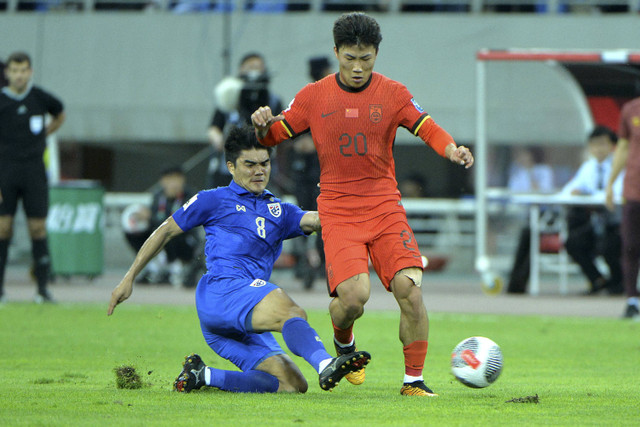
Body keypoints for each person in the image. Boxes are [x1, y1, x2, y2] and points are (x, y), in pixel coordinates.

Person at [251, 12, 474, 396]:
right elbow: (273, 135)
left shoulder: (394, 94)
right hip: (337, 209)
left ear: (376, 54)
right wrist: (260, 126)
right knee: (353, 299)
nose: (357, 67)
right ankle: (343, 341)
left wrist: (452, 149)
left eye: (366, 58)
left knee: (410, 289)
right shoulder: (313, 95)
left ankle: (413, 382)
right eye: (350, 58)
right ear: (336, 52)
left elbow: (428, 127)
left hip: (385, 205)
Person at [108, 125, 370, 394]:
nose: (259, 171)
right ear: (231, 166)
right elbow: (165, 231)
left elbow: (316, 219)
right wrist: (129, 278)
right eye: (250, 164)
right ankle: (326, 363)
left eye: (265, 163)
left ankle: (202, 375)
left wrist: (356, 213)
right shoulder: (212, 200)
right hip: (223, 293)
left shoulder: (279, 211)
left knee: (291, 385)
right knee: (291, 311)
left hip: (245, 312)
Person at [0, 52, 66, 304]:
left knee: (37, 228)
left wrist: (47, 133)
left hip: (34, 171)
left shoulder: (40, 98)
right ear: (7, 73)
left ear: (30, 72)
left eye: (23, 70)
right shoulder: (1, 101)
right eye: (14, 70)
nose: (19, 75)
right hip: (5, 171)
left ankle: (42, 290)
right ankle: (0, 292)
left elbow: (60, 113)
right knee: (3, 228)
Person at [560, 126, 624, 295]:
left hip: (618, 223)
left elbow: (616, 193)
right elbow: (569, 190)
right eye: (594, 144)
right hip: (597, 223)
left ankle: (619, 284)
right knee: (573, 242)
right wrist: (576, 191)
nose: (598, 148)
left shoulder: (620, 165)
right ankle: (598, 280)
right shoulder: (588, 167)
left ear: (613, 146)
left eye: (602, 144)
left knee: (611, 245)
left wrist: (589, 193)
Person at [206, 53, 283, 190]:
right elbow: (214, 127)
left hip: (261, 158)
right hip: (231, 161)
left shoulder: (272, 99)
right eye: (250, 67)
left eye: (258, 67)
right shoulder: (229, 96)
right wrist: (218, 140)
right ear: (241, 69)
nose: (254, 71)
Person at [290, 56, 334, 290]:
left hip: (320, 170)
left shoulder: (324, 97)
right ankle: (312, 266)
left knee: (319, 221)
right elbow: (293, 129)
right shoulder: (312, 97)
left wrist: (312, 143)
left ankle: (323, 266)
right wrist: (299, 143)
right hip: (308, 171)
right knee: (309, 221)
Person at [121, 166, 201, 287]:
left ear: (182, 180)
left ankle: (175, 268)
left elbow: (183, 223)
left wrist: (150, 217)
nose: (172, 184)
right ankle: (153, 266)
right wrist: (143, 217)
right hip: (164, 239)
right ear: (162, 181)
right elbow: (154, 220)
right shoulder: (158, 196)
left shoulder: (190, 196)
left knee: (169, 231)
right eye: (169, 180)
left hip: (185, 241)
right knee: (133, 231)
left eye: (176, 179)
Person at [606, 96, 640, 319]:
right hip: (634, 189)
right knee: (630, 245)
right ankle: (632, 300)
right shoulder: (631, 109)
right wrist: (610, 183)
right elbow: (624, 147)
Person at [505, 146, 555, 294]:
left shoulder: (544, 171)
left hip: (546, 216)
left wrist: (531, 173)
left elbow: (544, 195)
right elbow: (514, 196)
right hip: (524, 217)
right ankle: (515, 282)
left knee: (531, 240)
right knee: (526, 239)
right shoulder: (518, 173)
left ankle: (518, 282)